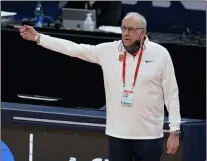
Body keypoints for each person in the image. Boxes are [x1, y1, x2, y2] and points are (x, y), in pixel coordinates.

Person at [15, 12, 181, 161]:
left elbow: (171, 94)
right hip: (118, 135)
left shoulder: (160, 54)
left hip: (150, 136)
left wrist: (174, 131)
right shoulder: (109, 50)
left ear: (143, 32)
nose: (126, 33)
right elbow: (74, 49)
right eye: (123, 29)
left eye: (131, 29)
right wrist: (38, 37)